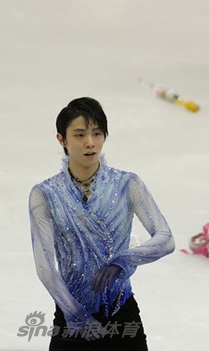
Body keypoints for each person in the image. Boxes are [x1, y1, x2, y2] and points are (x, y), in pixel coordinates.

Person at [29, 97, 174, 349]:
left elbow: (166, 238)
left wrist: (123, 260)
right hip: (71, 317)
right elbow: (45, 267)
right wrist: (76, 315)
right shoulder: (45, 194)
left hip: (122, 313)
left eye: (97, 133)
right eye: (79, 135)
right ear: (62, 139)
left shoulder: (127, 184)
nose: (90, 142)